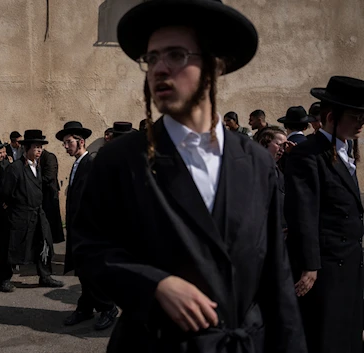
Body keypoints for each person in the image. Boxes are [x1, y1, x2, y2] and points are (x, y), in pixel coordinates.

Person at [72, 1, 306, 352]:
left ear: (214, 65)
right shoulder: (121, 160)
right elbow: (87, 250)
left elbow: (276, 274)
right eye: (151, 59)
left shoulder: (256, 162)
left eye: (176, 55)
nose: (159, 69)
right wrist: (155, 285)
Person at [284, 76, 364, 353]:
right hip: (326, 267)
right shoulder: (307, 153)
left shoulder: (347, 149)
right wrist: (310, 266)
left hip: (350, 261)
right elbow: (303, 213)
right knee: (326, 335)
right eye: (355, 116)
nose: (361, 123)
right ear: (332, 116)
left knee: (349, 331)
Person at [57, 121, 118, 330]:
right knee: (83, 270)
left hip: (89, 230)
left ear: (80, 142)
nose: (66, 147)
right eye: (64, 143)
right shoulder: (77, 163)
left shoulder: (90, 163)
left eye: (68, 142)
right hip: (77, 228)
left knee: (93, 270)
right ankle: (85, 307)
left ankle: (108, 308)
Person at [0, 130, 64, 292]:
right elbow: (5, 193)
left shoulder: (37, 167)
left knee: (43, 243)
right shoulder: (16, 168)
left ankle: (45, 275)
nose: (39, 150)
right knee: (12, 247)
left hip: (37, 213)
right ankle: (3, 279)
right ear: (27, 148)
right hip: (20, 215)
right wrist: (14, 208)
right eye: (36, 147)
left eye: (41, 147)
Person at [39, 148, 65, 244]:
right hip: (42, 192)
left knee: (51, 218)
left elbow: (49, 176)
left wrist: (33, 181)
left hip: (49, 193)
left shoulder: (49, 157)